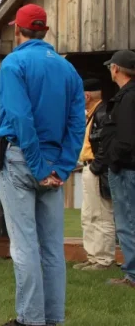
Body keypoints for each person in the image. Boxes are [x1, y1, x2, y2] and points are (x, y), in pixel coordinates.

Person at [0, 4, 85, 326]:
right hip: (55, 164)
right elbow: (76, 123)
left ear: (18, 29)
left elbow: (19, 117)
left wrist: (40, 167)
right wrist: (62, 166)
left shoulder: (14, 63)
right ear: (45, 30)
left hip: (22, 159)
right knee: (52, 249)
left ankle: (31, 320)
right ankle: (53, 319)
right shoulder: (68, 70)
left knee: (25, 245)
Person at [100, 50, 135, 289]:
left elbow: (126, 139)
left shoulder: (128, 97)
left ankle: (132, 276)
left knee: (127, 222)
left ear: (115, 69)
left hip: (126, 169)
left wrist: (112, 160)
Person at [73, 78, 115, 272]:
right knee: (89, 215)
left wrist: (97, 167)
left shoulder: (103, 113)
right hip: (89, 167)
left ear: (86, 96)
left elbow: (107, 145)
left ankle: (104, 260)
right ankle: (93, 257)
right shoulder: (93, 114)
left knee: (101, 215)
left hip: (96, 170)